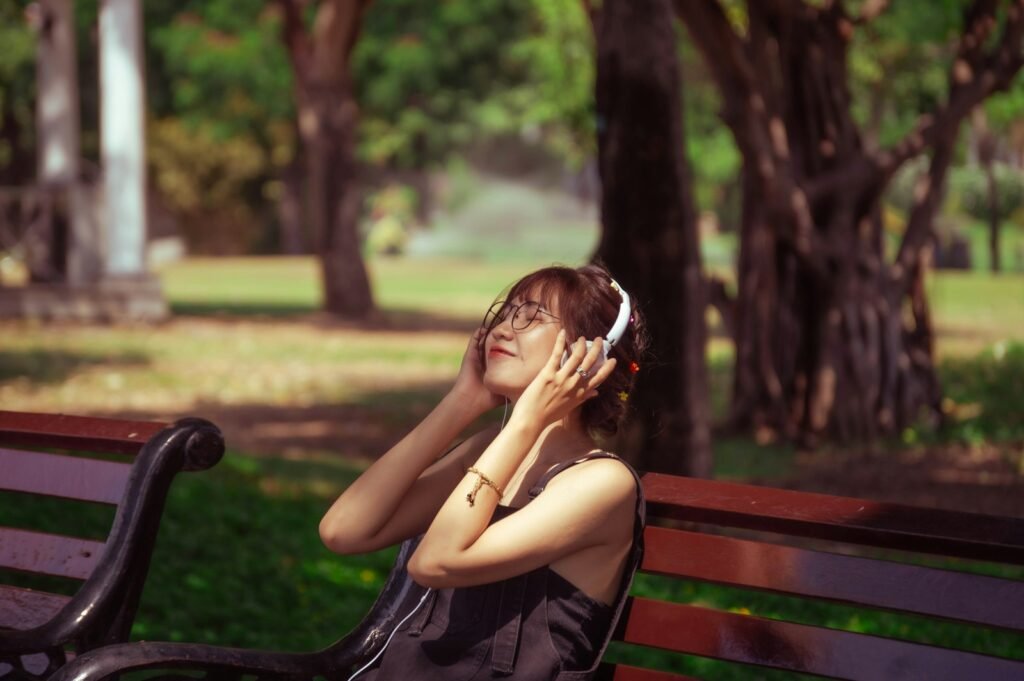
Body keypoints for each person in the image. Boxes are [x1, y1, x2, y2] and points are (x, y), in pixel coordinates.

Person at [319, 263, 649, 680]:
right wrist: (462, 403)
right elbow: (344, 530)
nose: (503, 329)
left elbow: (435, 563)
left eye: (530, 316)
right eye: (505, 313)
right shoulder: (490, 449)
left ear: (588, 355)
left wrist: (526, 421)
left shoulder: (602, 483)